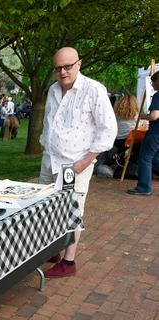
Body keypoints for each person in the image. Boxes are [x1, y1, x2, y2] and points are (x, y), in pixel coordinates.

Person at [39, 47, 117, 278]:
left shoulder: (94, 90)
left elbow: (107, 129)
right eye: (58, 68)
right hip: (50, 159)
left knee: (71, 211)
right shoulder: (53, 90)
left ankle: (69, 261)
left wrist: (86, 161)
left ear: (79, 64)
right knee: (46, 207)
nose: (63, 72)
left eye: (68, 66)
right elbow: (49, 122)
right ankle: (53, 249)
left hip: (75, 163)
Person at [128, 72, 159, 196]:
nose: (151, 84)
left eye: (153, 81)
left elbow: (154, 116)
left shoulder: (157, 95)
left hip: (155, 132)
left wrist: (142, 116)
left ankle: (144, 188)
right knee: (156, 159)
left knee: (145, 159)